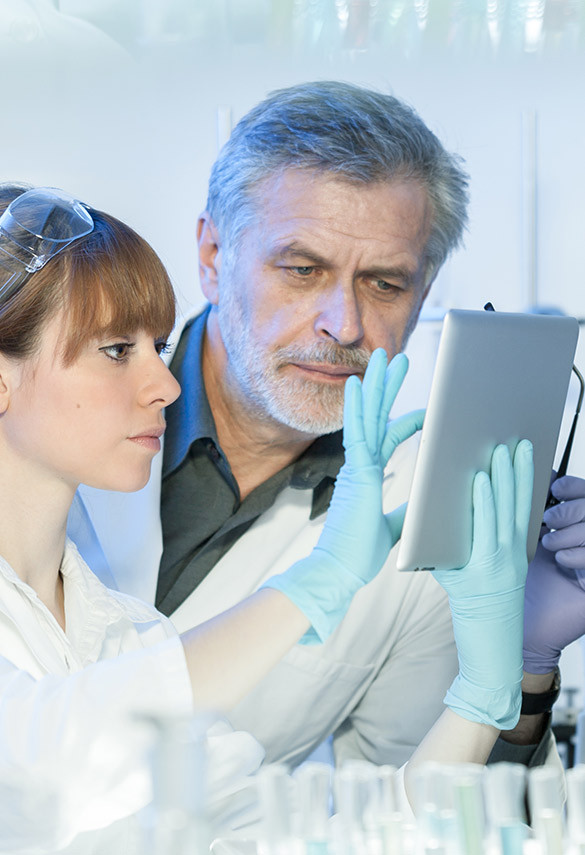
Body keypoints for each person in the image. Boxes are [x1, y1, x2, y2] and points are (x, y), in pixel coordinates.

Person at [0, 182, 536, 853]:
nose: (164, 384)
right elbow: (42, 764)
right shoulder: (126, 671)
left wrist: (480, 697)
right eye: (115, 350)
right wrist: (319, 582)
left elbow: (304, 842)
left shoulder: (124, 630)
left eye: (157, 346)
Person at [70, 80, 579, 773]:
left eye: (384, 284)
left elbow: (418, 811)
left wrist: (524, 666)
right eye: (302, 269)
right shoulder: (54, 410)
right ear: (212, 257)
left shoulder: (426, 510)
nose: (342, 323)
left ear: (423, 293)